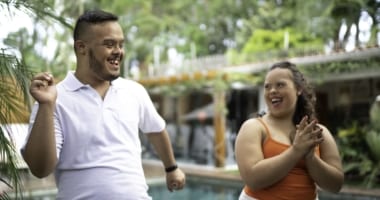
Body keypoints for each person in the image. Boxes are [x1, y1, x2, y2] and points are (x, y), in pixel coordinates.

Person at [22, 9, 185, 200]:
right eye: (109, 44)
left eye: (121, 45)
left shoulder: (134, 91)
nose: (118, 52)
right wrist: (47, 105)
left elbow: (156, 129)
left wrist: (171, 168)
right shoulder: (54, 98)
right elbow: (40, 169)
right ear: (81, 48)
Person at [235, 61, 344, 200]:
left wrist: (310, 157)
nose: (272, 91)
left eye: (280, 84)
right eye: (267, 87)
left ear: (298, 89)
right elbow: (252, 179)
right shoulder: (253, 127)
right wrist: (296, 151)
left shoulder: (317, 132)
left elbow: (335, 185)